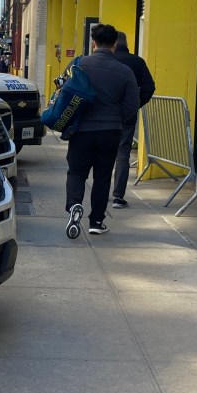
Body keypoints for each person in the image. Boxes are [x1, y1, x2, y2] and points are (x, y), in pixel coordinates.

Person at [64, 22, 138, 238]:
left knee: (76, 172)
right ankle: (96, 220)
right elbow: (131, 106)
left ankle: (74, 205)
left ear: (93, 43)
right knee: (103, 176)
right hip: (110, 131)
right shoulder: (125, 71)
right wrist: (119, 121)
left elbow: (63, 92)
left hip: (81, 131)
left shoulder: (79, 64)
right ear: (115, 44)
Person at [110, 31, 155, 208]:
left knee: (104, 154)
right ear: (126, 42)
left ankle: (101, 190)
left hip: (105, 115)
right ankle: (118, 197)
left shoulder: (106, 61)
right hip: (126, 115)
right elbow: (149, 88)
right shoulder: (137, 62)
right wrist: (136, 104)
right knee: (122, 154)